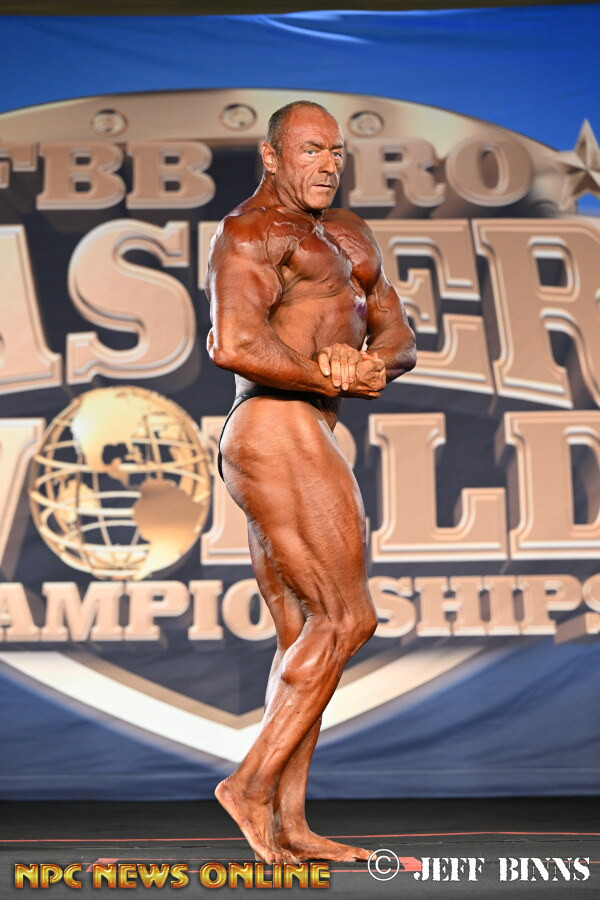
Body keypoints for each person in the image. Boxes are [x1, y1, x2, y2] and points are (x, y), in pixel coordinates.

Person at [206, 100, 416, 864]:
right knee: (347, 618)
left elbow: (398, 335)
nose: (327, 164)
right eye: (309, 150)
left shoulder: (351, 234)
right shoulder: (250, 232)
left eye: (335, 151)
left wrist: (369, 364)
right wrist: (329, 374)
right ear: (271, 156)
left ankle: (289, 823)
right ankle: (248, 785)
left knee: (306, 636)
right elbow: (234, 342)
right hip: (272, 423)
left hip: (309, 427)